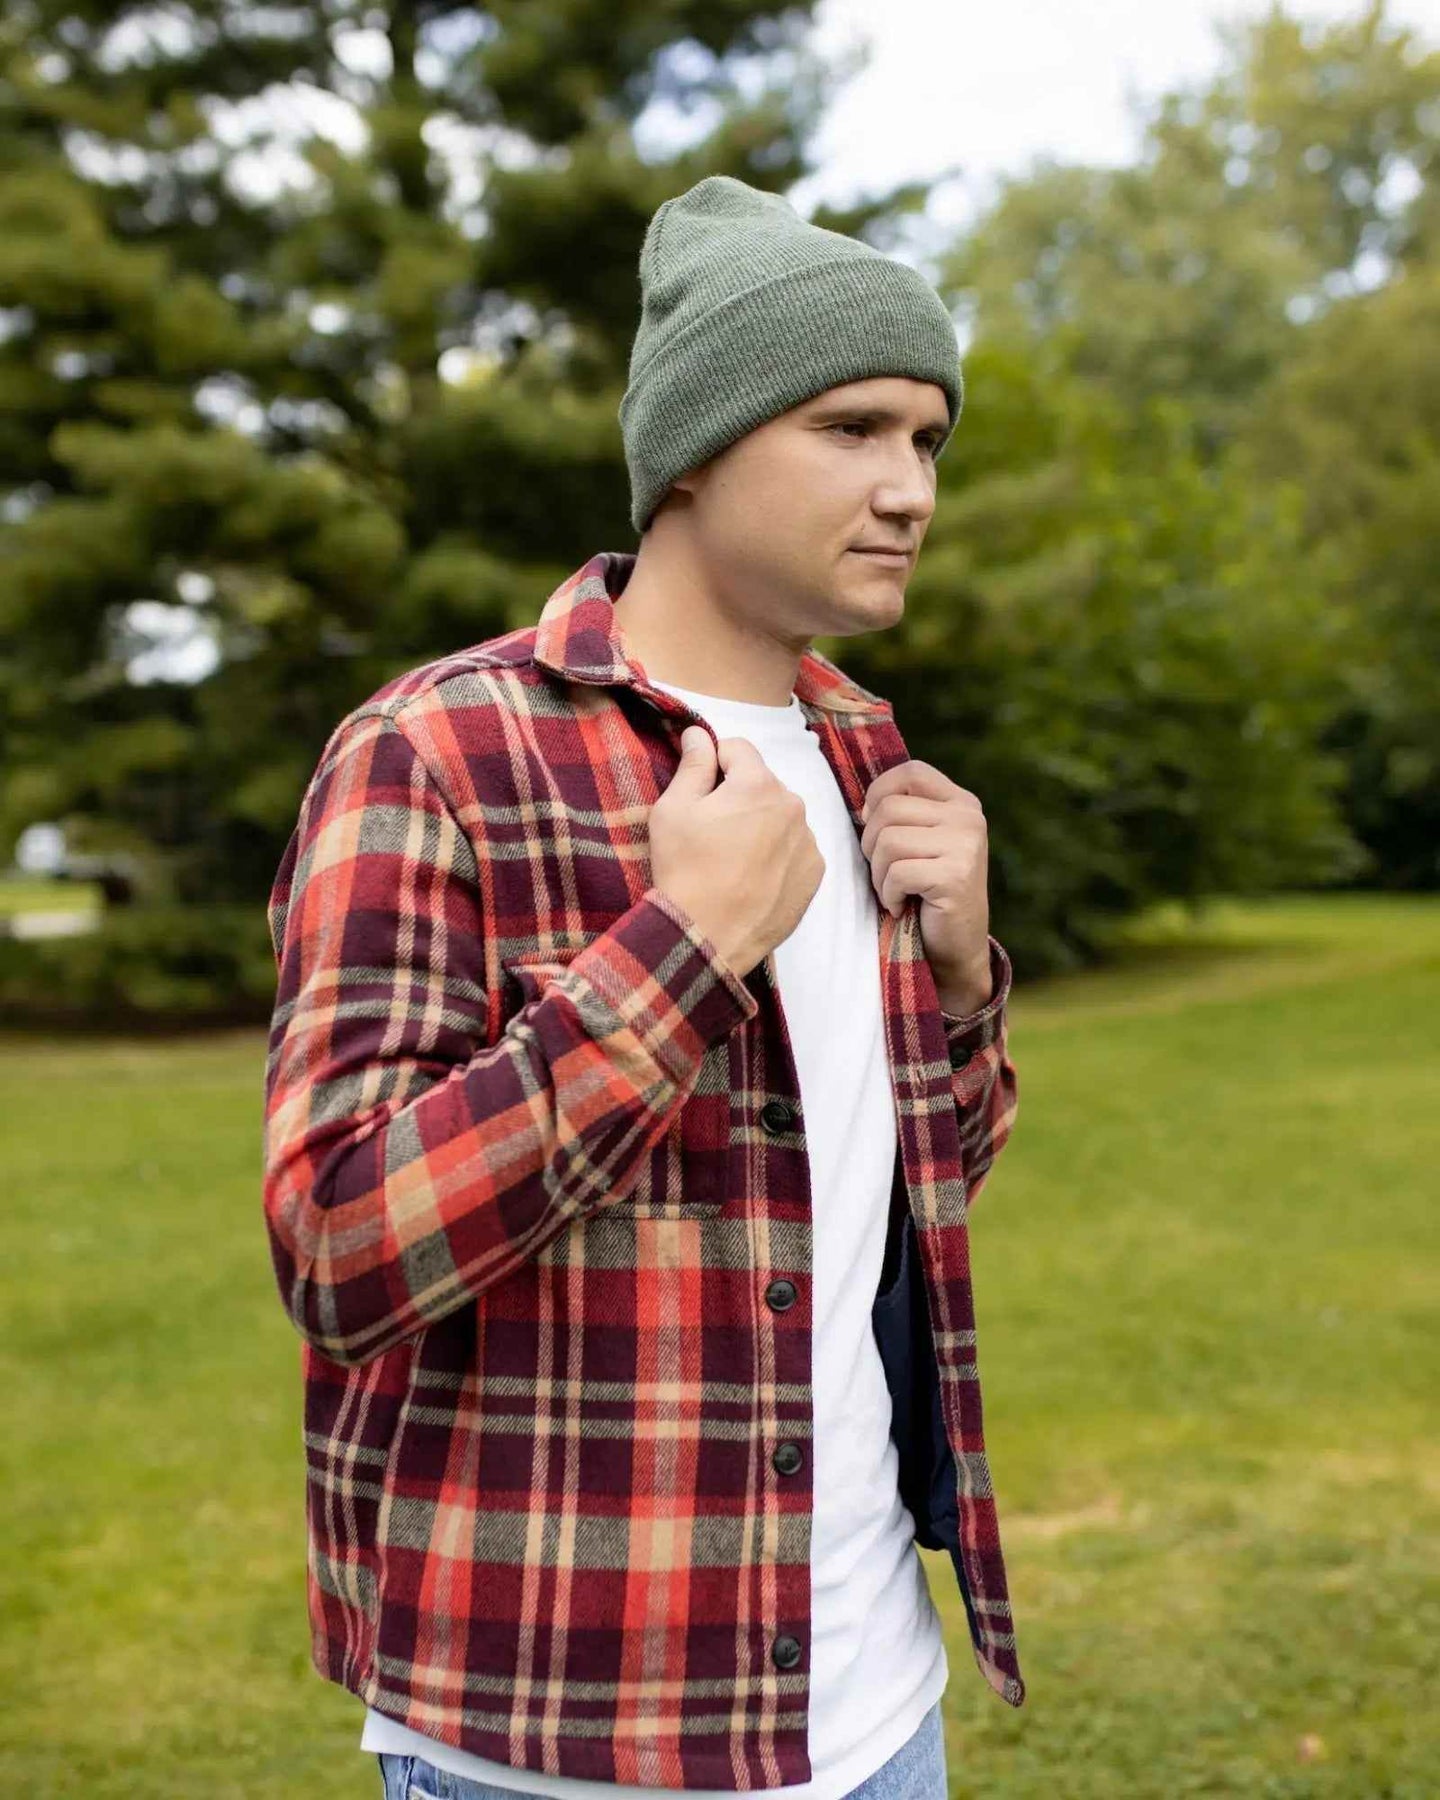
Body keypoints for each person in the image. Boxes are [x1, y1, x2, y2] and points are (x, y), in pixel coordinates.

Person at [262, 174, 1025, 1800]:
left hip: (876, 1709)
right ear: (693, 449)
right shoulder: (436, 753)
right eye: (851, 428)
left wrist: (963, 991)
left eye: (928, 441)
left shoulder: (868, 757)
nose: (909, 490)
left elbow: (895, 1191)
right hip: (562, 1733)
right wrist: (681, 956)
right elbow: (337, 1247)